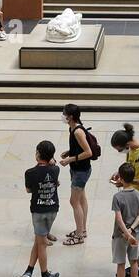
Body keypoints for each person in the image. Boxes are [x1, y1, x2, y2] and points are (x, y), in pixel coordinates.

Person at [109, 124, 139, 277]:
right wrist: (120, 175)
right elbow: (130, 169)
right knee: (133, 238)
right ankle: (136, 267)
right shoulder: (130, 152)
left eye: (118, 149)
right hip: (130, 200)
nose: (119, 152)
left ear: (126, 144)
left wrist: (129, 182)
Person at [21, 141, 62, 277]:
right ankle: (29, 271)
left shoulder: (30, 173)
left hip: (38, 211)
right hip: (52, 210)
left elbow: (28, 190)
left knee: (42, 243)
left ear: (38, 153)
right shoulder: (55, 170)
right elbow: (53, 163)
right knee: (39, 241)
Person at [107, 161, 139, 277]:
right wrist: (132, 231)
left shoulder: (118, 197)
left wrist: (126, 234)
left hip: (120, 235)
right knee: (134, 262)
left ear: (120, 178)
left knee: (121, 263)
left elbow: (119, 218)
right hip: (135, 234)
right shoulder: (138, 194)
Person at [58, 105, 93, 246]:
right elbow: (80, 147)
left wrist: (69, 159)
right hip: (78, 169)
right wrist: (69, 151)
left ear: (70, 116)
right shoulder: (72, 128)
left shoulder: (78, 131)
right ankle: (82, 230)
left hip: (81, 171)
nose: (62, 116)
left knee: (74, 201)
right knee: (81, 199)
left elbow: (88, 152)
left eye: (64, 113)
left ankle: (79, 236)